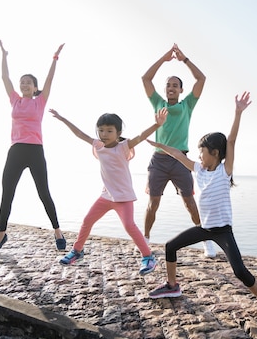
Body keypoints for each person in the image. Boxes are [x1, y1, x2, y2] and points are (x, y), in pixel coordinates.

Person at [147, 92, 257, 326]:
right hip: (204, 229)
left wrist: (238, 113)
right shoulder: (198, 169)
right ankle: (172, 286)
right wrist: (159, 145)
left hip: (222, 231)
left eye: (202, 151)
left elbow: (230, 141)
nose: (199, 154)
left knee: (239, 271)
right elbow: (178, 154)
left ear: (215, 154)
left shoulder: (224, 171)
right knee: (170, 246)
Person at [49, 107, 168, 275]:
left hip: (124, 198)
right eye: (101, 130)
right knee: (87, 221)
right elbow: (79, 134)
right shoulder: (98, 146)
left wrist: (157, 125)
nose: (104, 134)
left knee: (129, 226)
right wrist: (63, 119)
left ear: (118, 132)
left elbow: (141, 136)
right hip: (106, 196)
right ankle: (77, 251)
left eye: (109, 131)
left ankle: (148, 257)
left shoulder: (123, 147)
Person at [0, 40, 66, 255]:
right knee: (7, 194)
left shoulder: (39, 101)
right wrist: (4, 56)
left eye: (28, 83)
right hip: (15, 151)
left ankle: (58, 232)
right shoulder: (14, 100)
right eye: (22, 82)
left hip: (35, 151)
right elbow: (5, 78)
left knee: (44, 193)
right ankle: (1, 236)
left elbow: (50, 79)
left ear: (34, 87)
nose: (23, 85)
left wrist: (55, 58)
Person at [142, 44, 216, 258]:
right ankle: (145, 240)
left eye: (175, 85)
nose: (171, 88)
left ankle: (206, 241)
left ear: (181, 90)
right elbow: (145, 79)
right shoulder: (157, 103)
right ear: (165, 89)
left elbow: (201, 80)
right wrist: (163, 59)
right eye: (168, 85)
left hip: (181, 160)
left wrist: (185, 60)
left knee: (189, 202)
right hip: (159, 160)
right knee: (153, 203)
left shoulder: (187, 105)